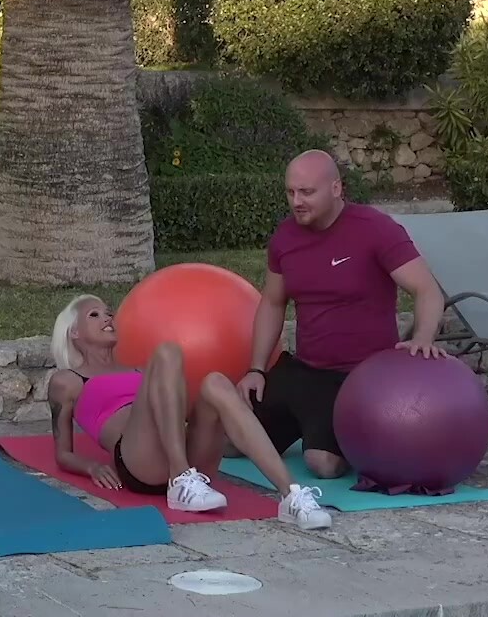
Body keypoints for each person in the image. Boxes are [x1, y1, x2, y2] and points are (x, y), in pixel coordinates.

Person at [238, 149, 450, 480]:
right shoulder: (285, 237)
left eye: (307, 192)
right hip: (303, 371)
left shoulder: (375, 229)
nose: (296, 201)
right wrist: (256, 369)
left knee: (322, 465)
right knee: (229, 443)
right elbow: (273, 303)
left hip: (356, 378)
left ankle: (333, 432)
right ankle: (302, 422)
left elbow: (427, 289)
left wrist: (423, 337)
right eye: (290, 192)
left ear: (336, 188)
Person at [46, 294, 333, 530]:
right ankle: (180, 479)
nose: (108, 318)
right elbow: (63, 454)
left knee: (216, 382)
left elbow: (178, 410)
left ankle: (292, 495)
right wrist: (92, 467)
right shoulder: (67, 380)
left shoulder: (140, 371)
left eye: (108, 313)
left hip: (190, 460)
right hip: (140, 462)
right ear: (74, 332)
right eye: (94, 315)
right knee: (168, 352)